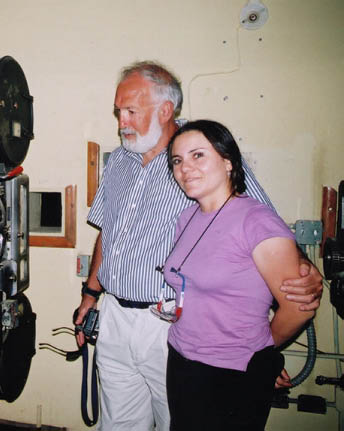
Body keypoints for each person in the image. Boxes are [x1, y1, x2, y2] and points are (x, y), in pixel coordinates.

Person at [74, 61, 322, 431]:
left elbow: (262, 226)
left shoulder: (201, 159)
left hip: (171, 325)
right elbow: (108, 233)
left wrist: (306, 271)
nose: (121, 121)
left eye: (130, 111)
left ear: (165, 110)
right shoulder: (119, 162)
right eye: (118, 111)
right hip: (114, 319)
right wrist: (91, 294)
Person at [163, 120, 314, 430]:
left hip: (233, 371)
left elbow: (299, 308)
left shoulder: (257, 221)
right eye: (177, 160)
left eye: (198, 155)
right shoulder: (188, 216)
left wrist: (259, 353)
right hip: (182, 359)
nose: (185, 168)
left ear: (228, 162)